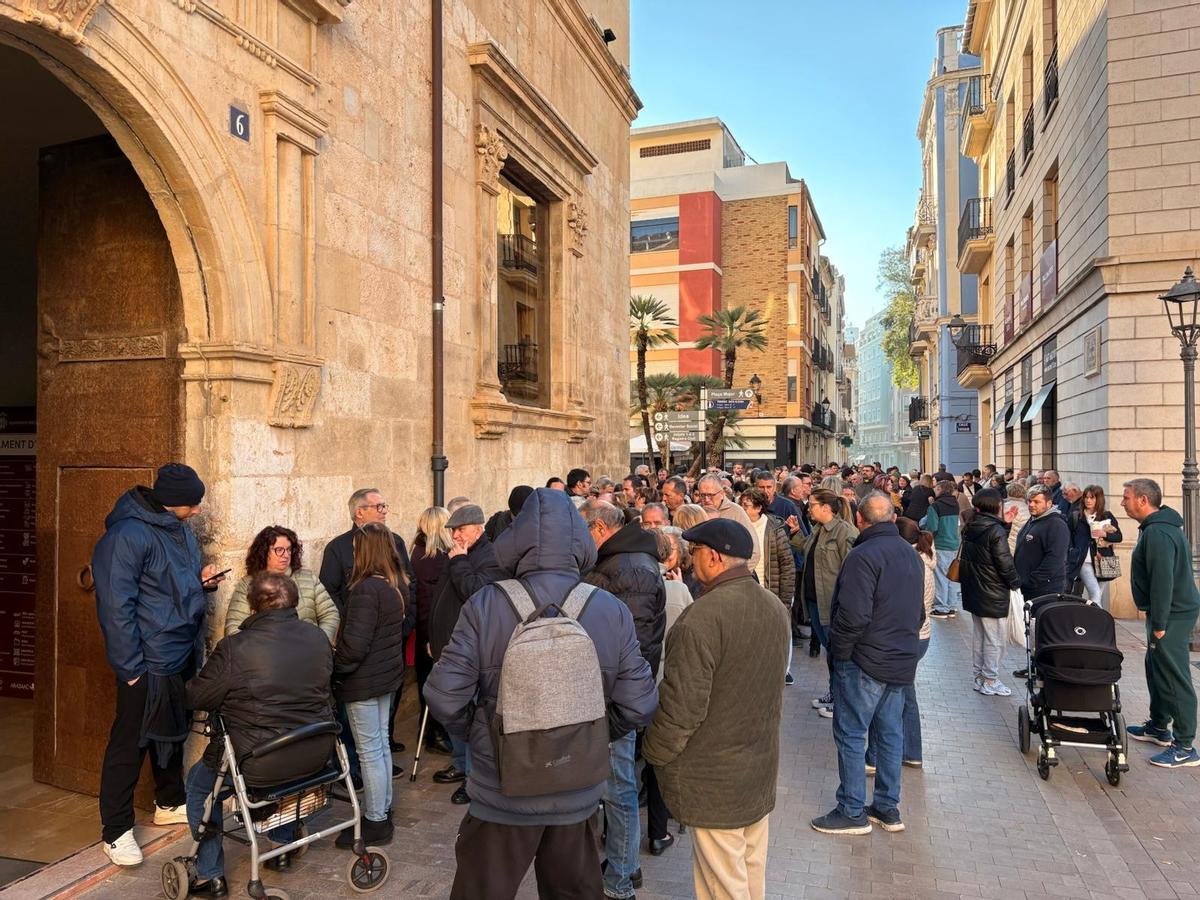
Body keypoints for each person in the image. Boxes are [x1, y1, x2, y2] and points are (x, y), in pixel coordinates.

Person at [424, 488, 657, 899]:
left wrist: (486, 735)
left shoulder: (486, 605)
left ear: (517, 540)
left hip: (502, 792)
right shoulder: (608, 608)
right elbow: (639, 702)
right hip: (577, 792)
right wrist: (592, 736)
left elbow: (444, 696)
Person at [644, 519, 789, 900]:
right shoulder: (773, 606)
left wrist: (654, 752)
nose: (692, 562)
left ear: (712, 556)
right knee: (749, 870)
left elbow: (681, 707)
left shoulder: (701, 619)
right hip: (757, 766)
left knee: (723, 885)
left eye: (695, 554)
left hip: (715, 779)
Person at [92, 463, 224, 867]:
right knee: (130, 744)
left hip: (177, 652)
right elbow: (116, 607)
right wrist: (131, 667)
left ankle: (168, 801)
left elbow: (171, 583)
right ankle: (115, 832)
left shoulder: (178, 528)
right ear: (172, 502)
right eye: (193, 504)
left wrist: (202, 582)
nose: (198, 511)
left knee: (171, 733)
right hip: (146, 660)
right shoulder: (127, 535)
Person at [183, 572, 334, 895]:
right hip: (316, 752)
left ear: (252, 605)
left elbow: (198, 696)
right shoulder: (317, 637)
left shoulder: (236, 648)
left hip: (260, 761)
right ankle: (281, 845)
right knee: (286, 756)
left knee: (199, 788)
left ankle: (210, 874)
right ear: (294, 601)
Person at [811, 493, 924, 836]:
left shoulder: (863, 555)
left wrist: (839, 653)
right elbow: (917, 612)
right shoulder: (910, 554)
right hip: (899, 657)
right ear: (890, 517)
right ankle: (887, 807)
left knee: (851, 732)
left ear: (861, 520)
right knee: (889, 734)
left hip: (865, 658)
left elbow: (853, 615)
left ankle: (851, 809)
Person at [580, 499, 666, 900]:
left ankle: (621, 879)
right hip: (611, 696)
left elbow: (635, 646)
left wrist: (618, 706)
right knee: (617, 787)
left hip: (613, 700)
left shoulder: (630, 568)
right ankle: (623, 864)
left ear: (599, 528)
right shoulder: (624, 561)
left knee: (619, 790)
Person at [320, 487, 415, 769]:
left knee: (386, 708)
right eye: (379, 506)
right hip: (356, 642)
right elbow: (329, 591)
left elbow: (409, 582)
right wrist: (346, 628)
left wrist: (404, 624)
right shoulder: (338, 548)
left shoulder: (394, 541)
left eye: (385, 506)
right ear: (359, 512)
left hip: (388, 642)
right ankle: (354, 764)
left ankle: (376, 759)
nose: (385, 511)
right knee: (352, 716)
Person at [332, 522, 412, 846]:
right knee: (378, 748)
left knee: (370, 751)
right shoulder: (394, 585)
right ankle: (383, 809)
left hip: (365, 682)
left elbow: (355, 646)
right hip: (383, 679)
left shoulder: (367, 590)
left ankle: (376, 820)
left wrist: (334, 663)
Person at [427, 503, 507, 803]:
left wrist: (459, 561)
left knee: (471, 717)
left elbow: (476, 593)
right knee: (452, 711)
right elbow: (441, 596)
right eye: (453, 531)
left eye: (460, 530)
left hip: (474, 652)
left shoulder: (489, 556)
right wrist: (434, 638)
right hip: (449, 647)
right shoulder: (458, 555)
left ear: (477, 528)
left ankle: (475, 778)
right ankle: (461, 765)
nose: (455, 536)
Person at [1122, 479, 1200, 767]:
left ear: (1143, 500)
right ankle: (1158, 726)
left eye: (1127, 497)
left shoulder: (1158, 533)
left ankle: (1184, 746)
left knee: (1173, 674)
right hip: (1166, 612)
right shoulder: (1155, 528)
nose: (1123, 502)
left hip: (1172, 614)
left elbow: (1162, 580)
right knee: (1155, 667)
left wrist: (1160, 623)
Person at [866, 517, 935, 770]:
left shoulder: (912, 565)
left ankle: (875, 758)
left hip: (908, 637)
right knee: (905, 695)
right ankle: (911, 751)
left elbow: (911, 609)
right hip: (917, 636)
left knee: (888, 698)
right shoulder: (921, 560)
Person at [644, 528, 694, 856]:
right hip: (668, 684)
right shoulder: (678, 591)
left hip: (635, 683)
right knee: (659, 760)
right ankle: (658, 831)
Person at [794, 488, 858, 716]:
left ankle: (841, 701)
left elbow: (853, 572)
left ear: (826, 508)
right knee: (829, 652)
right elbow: (808, 551)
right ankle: (834, 692)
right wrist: (795, 534)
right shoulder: (817, 530)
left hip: (833, 605)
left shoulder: (844, 532)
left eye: (811, 504)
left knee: (838, 655)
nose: (808, 508)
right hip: (815, 602)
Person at [222, 525, 339, 642]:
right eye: (279, 550)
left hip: (309, 650)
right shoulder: (247, 584)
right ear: (264, 552)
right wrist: (256, 653)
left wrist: (320, 643)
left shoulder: (308, 578)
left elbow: (330, 614)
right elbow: (234, 627)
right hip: (266, 653)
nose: (286, 555)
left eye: (289, 549)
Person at [959, 490, 1021, 696]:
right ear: (994, 506)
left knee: (980, 636)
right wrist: (1015, 583)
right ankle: (991, 679)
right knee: (995, 639)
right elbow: (1004, 561)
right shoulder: (994, 530)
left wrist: (1006, 525)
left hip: (975, 588)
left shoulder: (971, 525)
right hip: (992, 591)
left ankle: (979, 676)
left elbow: (986, 547)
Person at [740, 488, 796, 684]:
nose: (742, 509)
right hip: (748, 592)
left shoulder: (774, 529)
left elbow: (787, 564)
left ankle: (782, 670)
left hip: (771, 589)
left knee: (779, 631)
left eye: (746, 506)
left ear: (758, 508)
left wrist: (786, 598)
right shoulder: (739, 527)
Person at [411, 507, 454, 756]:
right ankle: (435, 734)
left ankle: (428, 731)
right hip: (431, 631)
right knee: (435, 683)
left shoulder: (419, 551)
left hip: (425, 630)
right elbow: (429, 600)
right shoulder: (434, 558)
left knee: (427, 681)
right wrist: (431, 637)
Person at [1013, 485, 1070, 603]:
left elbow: (1055, 559)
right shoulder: (1034, 519)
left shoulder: (1056, 525)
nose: (1031, 505)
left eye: (1036, 502)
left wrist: (1032, 581)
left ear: (1049, 503)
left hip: (1043, 590)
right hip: (1027, 588)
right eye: (1029, 501)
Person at [1068, 485, 1123, 607]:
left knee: (1096, 596)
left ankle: (1091, 621)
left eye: (1092, 498)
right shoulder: (1076, 516)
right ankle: (1101, 623)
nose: (1088, 501)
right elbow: (1068, 537)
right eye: (1086, 497)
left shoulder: (1107, 516)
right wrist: (1073, 552)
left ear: (1099, 499)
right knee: (1096, 593)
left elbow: (1119, 537)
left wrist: (1104, 534)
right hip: (1083, 561)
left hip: (1102, 561)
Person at [696, 473, 761, 573]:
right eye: (702, 495)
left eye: (710, 495)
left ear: (722, 493)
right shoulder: (696, 511)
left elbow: (754, 551)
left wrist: (736, 577)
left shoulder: (736, 512)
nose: (706, 500)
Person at [924, 479, 962, 618]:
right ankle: (952, 606)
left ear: (940, 490)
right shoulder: (955, 504)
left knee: (940, 577)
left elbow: (932, 527)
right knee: (952, 576)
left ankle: (941, 607)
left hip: (941, 544)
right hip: (955, 544)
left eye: (936, 488)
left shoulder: (935, 506)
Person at [1004, 482, 1031, 559]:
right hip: (1023, 548)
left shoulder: (1003, 507)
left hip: (1006, 547)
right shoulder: (1028, 509)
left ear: (1008, 493)